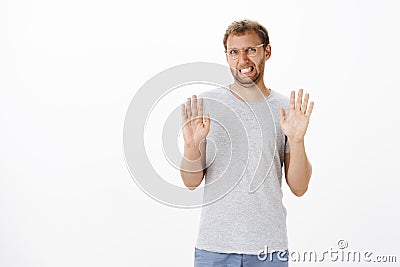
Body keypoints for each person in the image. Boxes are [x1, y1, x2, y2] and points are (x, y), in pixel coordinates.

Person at [180, 19, 314, 267]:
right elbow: (190, 183)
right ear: (227, 57)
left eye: (251, 50)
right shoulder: (207, 106)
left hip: (268, 250)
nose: (242, 60)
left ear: (267, 51)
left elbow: (299, 187)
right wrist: (190, 147)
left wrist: (297, 140)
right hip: (214, 248)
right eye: (234, 52)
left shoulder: (286, 110)